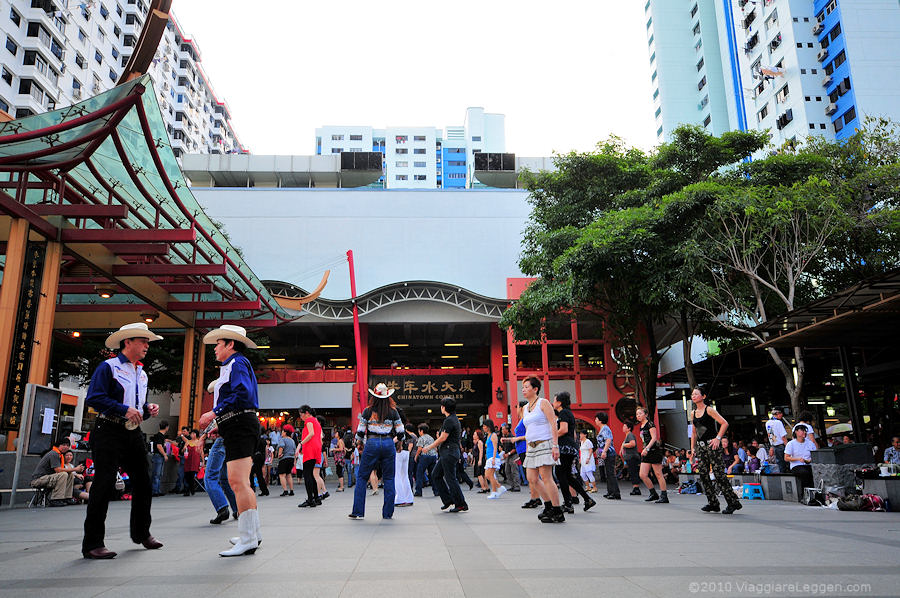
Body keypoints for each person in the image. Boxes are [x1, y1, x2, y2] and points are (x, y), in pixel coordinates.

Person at [81, 322, 164, 559]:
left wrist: (148, 409)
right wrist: (123, 409)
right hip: (108, 429)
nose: (147, 346)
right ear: (127, 342)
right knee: (104, 483)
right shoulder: (108, 367)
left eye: (148, 342)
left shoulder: (142, 373)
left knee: (144, 481)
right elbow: (94, 398)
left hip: (133, 431)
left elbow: (138, 409)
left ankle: (142, 533)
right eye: (143, 341)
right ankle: (93, 543)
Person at [198, 324, 263, 557]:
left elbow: (242, 393)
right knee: (241, 482)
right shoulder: (233, 365)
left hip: (240, 425)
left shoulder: (237, 363)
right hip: (237, 424)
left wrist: (214, 412)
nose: (215, 348)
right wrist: (221, 424)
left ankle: (248, 538)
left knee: (238, 482)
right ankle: (251, 533)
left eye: (218, 344)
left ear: (230, 344)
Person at [349, 383, 407, 520]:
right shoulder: (393, 412)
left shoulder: (368, 411)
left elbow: (360, 432)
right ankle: (387, 513)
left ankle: (358, 511)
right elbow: (401, 433)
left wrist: (359, 444)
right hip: (388, 443)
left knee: (362, 477)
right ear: (388, 397)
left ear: (374, 397)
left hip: (372, 443)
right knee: (389, 478)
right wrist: (396, 443)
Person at [690, 386, 742, 514]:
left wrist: (718, 438)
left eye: (696, 394)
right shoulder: (693, 413)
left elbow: (724, 423)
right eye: (692, 394)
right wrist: (692, 448)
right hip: (701, 447)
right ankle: (713, 503)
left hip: (712, 446)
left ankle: (733, 502)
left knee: (719, 475)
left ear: (703, 396)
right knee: (703, 474)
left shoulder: (709, 410)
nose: (693, 396)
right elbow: (694, 432)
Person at [520, 377, 564, 523]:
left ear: (535, 389)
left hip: (545, 443)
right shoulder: (525, 408)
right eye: (523, 387)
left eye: (527, 387)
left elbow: (553, 424)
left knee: (546, 477)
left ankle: (557, 511)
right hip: (531, 447)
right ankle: (548, 505)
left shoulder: (543, 403)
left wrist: (555, 446)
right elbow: (528, 429)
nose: (524, 390)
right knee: (531, 478)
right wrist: (527, 448)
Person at [422, 397, 469, 513]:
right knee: (436, 475)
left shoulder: (449, 420)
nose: (441, 408)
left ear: (444, 407)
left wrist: (429, 447)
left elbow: (443, 437)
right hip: (449, 452)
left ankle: (461, 504)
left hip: (449, 452)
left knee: (450, 478)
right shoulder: (453, 419)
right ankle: (448, 500)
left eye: (441, 406)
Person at [552, 392, 596, 514]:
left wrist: (551, 436)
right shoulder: (567, 413)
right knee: (567, 476)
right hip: (570, 448)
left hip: (565, 448)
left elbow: (563, 430)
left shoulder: (564, 413)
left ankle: (568, 504)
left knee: (560, 474)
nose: (553, 403)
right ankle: (587, 499)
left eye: (554, 400)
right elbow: (573, 434)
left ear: (559, 402)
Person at [31, 438, 83, 507]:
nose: (66, 447)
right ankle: (56, 499)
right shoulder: (54, 453)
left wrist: (76, 473)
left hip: (48, 478)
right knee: (63, 474)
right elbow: (58, 470)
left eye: (68, 445)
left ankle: (67, 498)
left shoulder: (60, 455)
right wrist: (75, 469)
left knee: (69, 474)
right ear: (58, 445)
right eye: (63, 445)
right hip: (38, 479)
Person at [205, 426, 240, 525]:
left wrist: (204, 436)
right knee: (224, 479)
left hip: (222, 440)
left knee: (210, 477)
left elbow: (212, 420)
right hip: (231, 441)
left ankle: (222, 508)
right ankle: (237, 509)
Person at [636, 406, 668, 504]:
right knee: (642, 475)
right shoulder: (641, 426)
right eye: (637, 414)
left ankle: (664, 495)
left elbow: (654, 438)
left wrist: (647, 448)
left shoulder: (650, 424)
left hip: (653, 451)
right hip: (646, 452)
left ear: (645, 414)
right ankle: (653, 493)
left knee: (658, 474)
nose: (638, 416)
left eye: (640, 413)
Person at [297, 405, 324, 508]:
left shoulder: (309, 420)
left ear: (307, 413)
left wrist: (300, 444)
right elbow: (319, 438)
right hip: (316, 448)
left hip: (310, 448)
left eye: (301, 415)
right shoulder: (316, 421)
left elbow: (311, 433)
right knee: (311, 474)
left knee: (307, 474)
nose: (301, 417)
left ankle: (310, 500)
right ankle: (316, 498)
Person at [595, 412, 620, 499]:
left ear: (600, 420)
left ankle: (615, 493)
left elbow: (608, 440)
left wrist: (604, 451)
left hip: (609, 453)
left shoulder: (605, 429)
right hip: (606, 453)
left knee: (611, 473)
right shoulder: (603, 429)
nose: (595, 420)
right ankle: (610, 491)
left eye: (596, 419)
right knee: (608, 473)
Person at [784, 425, 817, 492]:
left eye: (805, 431)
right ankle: (805, 492)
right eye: (802, 430)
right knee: (804, 473)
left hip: (809, 464)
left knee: (815, 472)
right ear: (796, 432)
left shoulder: (810, 443)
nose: (804, 432)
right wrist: (798, 459)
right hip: (796, 465)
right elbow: (786, 458)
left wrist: (809, 460)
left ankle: (816, 492)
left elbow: (815, 456)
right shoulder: (791, 444)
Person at [414, 423, 438, 497]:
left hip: (425, 457)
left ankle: (418, 491)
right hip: (433, 457)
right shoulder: (431, 438)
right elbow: (435, 448)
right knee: (432, 474)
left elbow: (419, 449)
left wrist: (416, 456)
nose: (418, 432)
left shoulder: (421, 438)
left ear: (421, 431)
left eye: (419, 430)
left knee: (419, 474)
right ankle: (436, 491)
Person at [483, 421, 505, 499]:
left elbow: (495, 447)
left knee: (490, 475)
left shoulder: (493, 435)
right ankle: (499, 487)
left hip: (493, 457)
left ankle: (494, 492)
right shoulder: (488, 435)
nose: (483, 428)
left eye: (484, 426)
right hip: (489, 457)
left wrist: (493, 459)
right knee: (487, 475)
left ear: (488, 427)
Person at [394, 426, 415, 507]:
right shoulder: (404, 430)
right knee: (404, 476)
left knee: (397, 475)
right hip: (406, 452)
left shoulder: (393, 429)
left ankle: (400, 498)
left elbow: (395, 439)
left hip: (398, 452)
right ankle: (409, 498)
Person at [765, 408, 789, 473]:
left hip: (775, 445)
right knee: (786, 463)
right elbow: (783, 436)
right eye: (781, 413)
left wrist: (773, 445)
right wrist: (788, 446)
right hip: (781, 445)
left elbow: (770, 435)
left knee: (780, 464)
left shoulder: (768, 423)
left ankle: (782, 475)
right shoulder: (778, 422)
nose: (782, 415)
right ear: (778, 413)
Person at [620, 422, 641, 496]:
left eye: (624, 426)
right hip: (629, 457)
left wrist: (623, 445)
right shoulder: (627, 435)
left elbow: (633, 444)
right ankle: (635, 488)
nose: (623, 427)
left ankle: (636, 488)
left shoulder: (630, 435)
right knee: (632, 472)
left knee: (633, 472)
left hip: (632, 457)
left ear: (629, 428)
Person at [150, 421, 168, 497]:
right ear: (166, 427)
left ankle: (157, 490)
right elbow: (159, 446)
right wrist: (165, 454)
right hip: (158, 456)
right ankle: (155, 490)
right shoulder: (159, 436)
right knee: (157, 474)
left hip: (159, 456)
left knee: (159, 474)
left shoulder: (160, 436)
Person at [277, 425, 296, 497]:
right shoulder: (292, 441)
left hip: (284, 458)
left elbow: (281, 447)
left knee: (282, 475)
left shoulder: (283, 439)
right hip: (291, 458)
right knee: (288, 474)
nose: (281, 433)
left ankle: (285, 490)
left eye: (282, 431)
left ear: (285, 433)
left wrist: (279, 454)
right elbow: (294, 450)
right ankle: (291, 490)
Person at [182, 429, 203, 496]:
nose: (192, 435)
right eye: (191, 433)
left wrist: (203, 461)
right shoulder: (188, 441)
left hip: (195, 461)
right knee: (186, 475)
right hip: (188, 460)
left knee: (192, 475)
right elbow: (183, 450)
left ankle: (189, 489)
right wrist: (184, 449)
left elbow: (201, 452)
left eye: (194, 433)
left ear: (196, 434)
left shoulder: (199, 442)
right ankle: (189, 489)